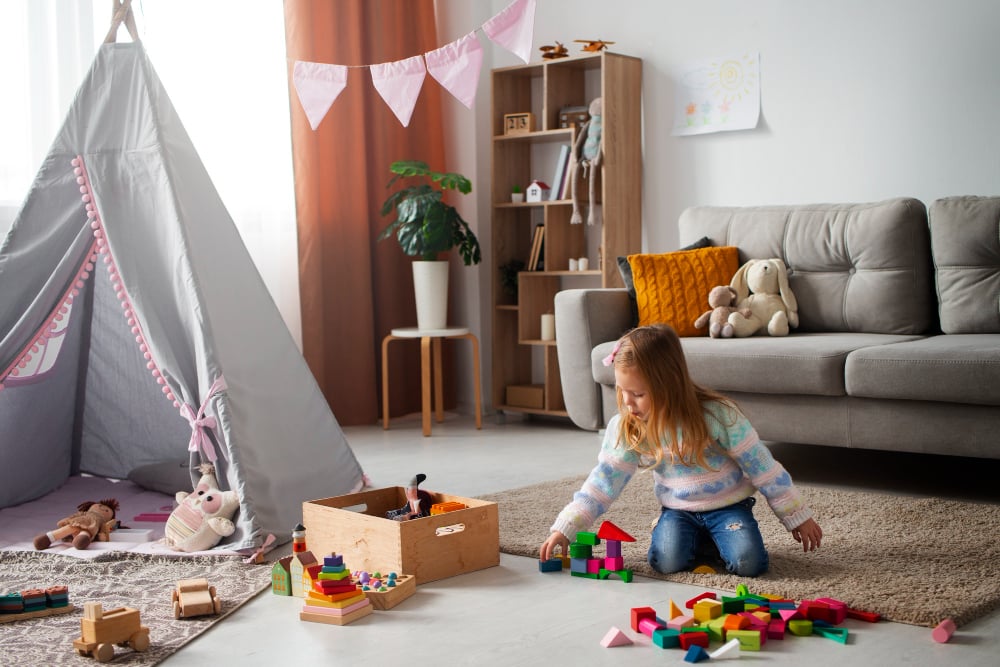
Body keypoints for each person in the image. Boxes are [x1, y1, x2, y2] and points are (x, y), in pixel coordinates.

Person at [539, 324, 822, 577]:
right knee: (664, 562)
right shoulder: (629, 427)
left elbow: (762, 466)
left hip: (728, 507)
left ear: (669, 386)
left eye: (638, 394)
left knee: (750, 564)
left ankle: (713, 537)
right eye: (622, 391)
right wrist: (565, 527)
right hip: (678, 511)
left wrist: (796, 515)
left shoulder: (718, 416)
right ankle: (694, 536)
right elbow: (603, 483)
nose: (627, 403)